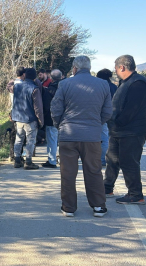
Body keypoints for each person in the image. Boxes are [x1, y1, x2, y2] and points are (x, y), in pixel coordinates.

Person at [51, 55, 112, 217]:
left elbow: (56, 109)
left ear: (74, 68)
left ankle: (68, 207)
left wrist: (60, 125)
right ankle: (98, 206)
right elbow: (107, 112)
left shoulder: (64, 84)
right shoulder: (103, 84)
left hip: (68, 135)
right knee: (94, 171)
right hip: (92, 136)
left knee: (68, 173)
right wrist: (96, 124)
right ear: (89, 67)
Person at [104, 55, 146, 204]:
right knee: (112, 159)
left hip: (131, 131)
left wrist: (118, 122)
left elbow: (132, 109)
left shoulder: (138, 83)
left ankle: (135, 194)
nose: (115, 71)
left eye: (116, 68)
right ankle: (107, 187)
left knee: (129, 162)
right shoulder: (126, 82)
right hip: (119, 130)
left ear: (122, 67)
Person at [12, 68, 44, 170]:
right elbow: (38, 107)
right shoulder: (35, 89)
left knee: (19, 139)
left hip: (18, 118)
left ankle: (17, 160)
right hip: (30, 119)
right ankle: (28, 161)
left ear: (25, 75)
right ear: (34, 77)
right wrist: (40, 121)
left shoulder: (16, 86)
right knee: (30, 141)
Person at [96, 69, 118, 166]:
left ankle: (102, 159)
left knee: (103, 137)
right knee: (109, 137)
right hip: (114, 115)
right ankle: (109, 158)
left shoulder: (99, 86)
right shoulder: (114, 87)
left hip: (102, 114)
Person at [42, 69, 63, 168]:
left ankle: (52, 160)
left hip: (51, 119)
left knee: (52, 140)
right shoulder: (66, 88)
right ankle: (63, 159)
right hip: (65, 119)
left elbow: (46, 105)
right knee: (63, 140)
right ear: (61, 77)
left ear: (51, 78)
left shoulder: (49, 89)